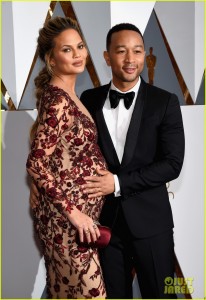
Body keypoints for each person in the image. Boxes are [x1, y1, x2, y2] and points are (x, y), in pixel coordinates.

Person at [30, 22, 185, 299]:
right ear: (106, 56)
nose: (131, 59)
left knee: (163, 294)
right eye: (122, 51)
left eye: (137, 51)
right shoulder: (88, 98)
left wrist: (116, 182)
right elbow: (53, 144)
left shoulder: (165, 101)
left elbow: (172, 163)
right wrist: (36, 185)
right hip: (102, 225)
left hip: (151, 224)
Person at [26, 16, 107, 299]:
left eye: (80, 46)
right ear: (51, 58)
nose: (77, 54)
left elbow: (52, 155)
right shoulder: (59, 99)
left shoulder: (69, 95)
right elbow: (36, 162)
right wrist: (74, 214)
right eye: (67, 49)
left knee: (66, 293)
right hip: (67, 224)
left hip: (77, 223)